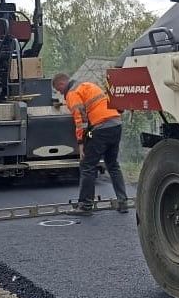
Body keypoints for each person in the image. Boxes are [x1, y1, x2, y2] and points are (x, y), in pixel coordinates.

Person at [51, 73, 128, 216]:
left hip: (100, 128)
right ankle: (123, 202)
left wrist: (81, 144)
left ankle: (85, 206)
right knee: (113, 165)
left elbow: (80, 120)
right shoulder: (87, 86)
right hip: (116, 125)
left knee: (87, 165)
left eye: (58, 89)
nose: (60, 93)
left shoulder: (72, 93)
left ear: (62, 84)